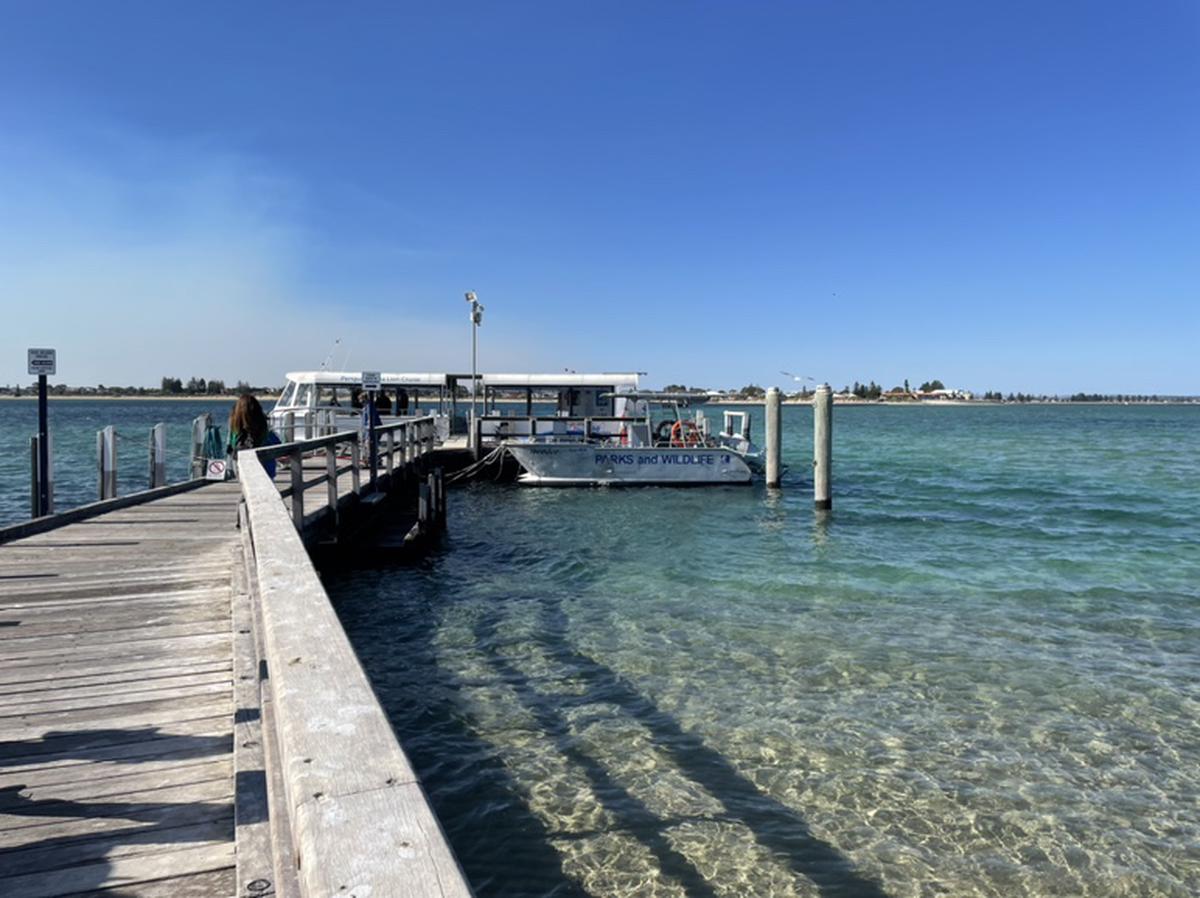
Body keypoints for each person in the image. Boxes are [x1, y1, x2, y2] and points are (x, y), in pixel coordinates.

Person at [227, 393, 280, 479]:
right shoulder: (263, 430)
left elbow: (231, 449)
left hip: (243, 472)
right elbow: (277, 445)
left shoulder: (235, 430)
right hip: (266, 472)